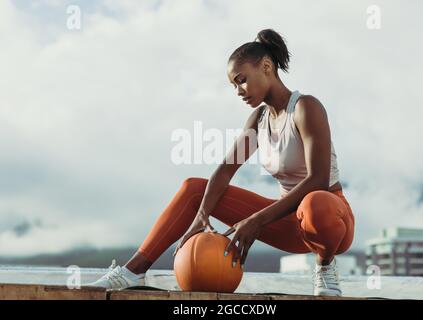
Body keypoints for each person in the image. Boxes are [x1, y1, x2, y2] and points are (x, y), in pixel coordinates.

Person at [86, 29, 355, 297]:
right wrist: (201, 216)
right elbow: (225, 171)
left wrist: (255, 220)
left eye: (242, 80)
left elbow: (318, 179)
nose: (238, 91)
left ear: (266, 67)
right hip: (288, 222)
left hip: (330, 219)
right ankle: (132, 270)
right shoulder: (258, 121)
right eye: (234, 85)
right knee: (194, 188)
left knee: (314, 201)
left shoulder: (306, 108)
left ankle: (325, 266)